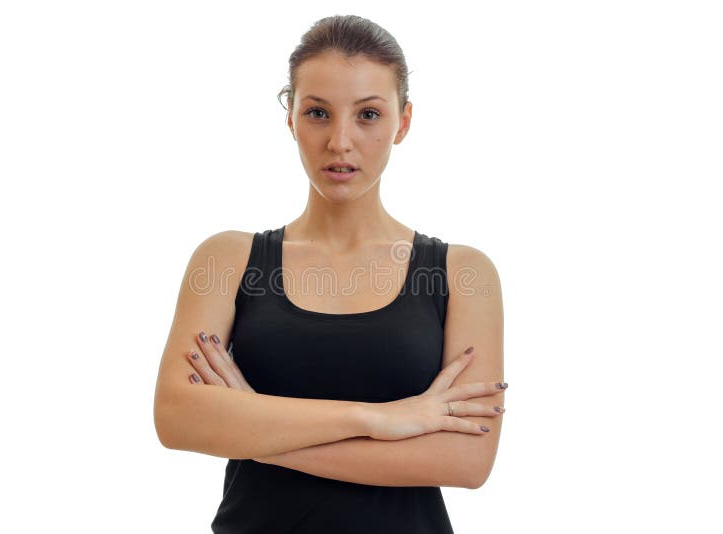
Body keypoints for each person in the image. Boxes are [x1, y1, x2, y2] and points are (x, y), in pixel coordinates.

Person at [153, 14, 506, 533]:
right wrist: (379, 419)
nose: (340, 141)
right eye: (318, 112)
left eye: (368, 114)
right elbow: (176, 417)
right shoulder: (226, 260)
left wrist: (253, 426)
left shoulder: (463, 273)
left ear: (402, 123)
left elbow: (465, 461)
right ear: (290, 118)